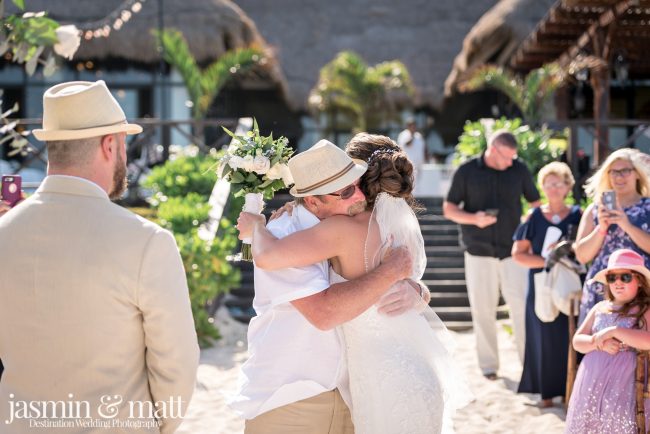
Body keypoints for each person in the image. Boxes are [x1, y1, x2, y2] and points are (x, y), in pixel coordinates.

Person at [0, 80, 199, 433]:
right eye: (123, 145)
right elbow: (177, 365)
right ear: (110, 145)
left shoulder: (4, 234)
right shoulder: (147, 242)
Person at [239, 134, 471, 434]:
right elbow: (324, 312)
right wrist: (264, 226)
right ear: (311, 200)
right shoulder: (294, 228)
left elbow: (413, 282)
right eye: (347, 190)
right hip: (311, 392)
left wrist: (417, 291)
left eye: (357, 184)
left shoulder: (350, 226)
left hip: (375, 383)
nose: (358, 197)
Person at [443, 129, 541, 379]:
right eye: (506, 157)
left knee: (520, 307)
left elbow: (536, 204)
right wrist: (473, 219)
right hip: (478, 251)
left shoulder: (519, 169)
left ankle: (528, 365)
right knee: (482, 309)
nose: (511, 162)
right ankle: (488, 367)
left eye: (512, 157)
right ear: (493, 149)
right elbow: (449, 209)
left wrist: (526, 224)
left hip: (513, 252)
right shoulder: (466, 171)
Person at [511, 162, 582, 407]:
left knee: (570, 334)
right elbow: (518, 254)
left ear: (567, 186)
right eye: (547, 184)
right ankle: (546, 395)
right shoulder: (534, 216)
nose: (552, 188)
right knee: (542, 336)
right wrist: (549, 261)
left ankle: (571, 391)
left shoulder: (579, 215)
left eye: (557, 183)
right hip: (541, 283)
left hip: (571, 284)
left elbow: (587, 253)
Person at [565, 249, 650, 433]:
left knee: (617, 420)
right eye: (612, 278)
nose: (618, 282)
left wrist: (616, 331)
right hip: (592, 378)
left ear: (640, 282)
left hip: (625, 381)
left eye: (625, 277)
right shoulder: (600, 308)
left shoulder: (643, 309)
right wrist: (598, 342)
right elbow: (577, 341)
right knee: (592, 420)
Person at [574, 148, 650, 325]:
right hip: (602, 289)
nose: (619, 176)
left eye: (625, 171)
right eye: (613, 172)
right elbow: (582, 256)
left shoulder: (648, 207)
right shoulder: (594, 210)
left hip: (641, 289)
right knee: (599, 345)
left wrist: (626, 225)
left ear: (637, 174)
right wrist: (601, 228)